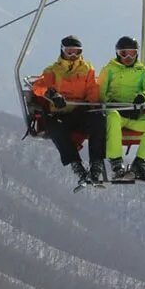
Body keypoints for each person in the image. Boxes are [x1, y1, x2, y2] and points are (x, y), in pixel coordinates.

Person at [31, 35, 106, 184]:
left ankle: (96, 164)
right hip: (61, 113)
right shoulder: (53, 70)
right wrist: (50, 93)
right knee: (54, 127)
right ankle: (76, 165)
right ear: (62, 51)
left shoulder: (87, 69)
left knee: (99, 120)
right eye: (69, 51)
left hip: (81, 112)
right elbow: (38, 87)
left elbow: (93, 89)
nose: (72, 55)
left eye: (76, 52)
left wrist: (92, 104)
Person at [98, 36, 145, 181]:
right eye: (124, 53)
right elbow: (99, 92)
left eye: (132, 53)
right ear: (117, 54)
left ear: (137, 54)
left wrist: (143, 96)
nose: (128, 57)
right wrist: (109, 102)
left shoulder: (142, 71)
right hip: (116, 114)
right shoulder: (109, 70)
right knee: (113, 117)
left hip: (135, 115)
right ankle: (116, 162)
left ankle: (140, 162)